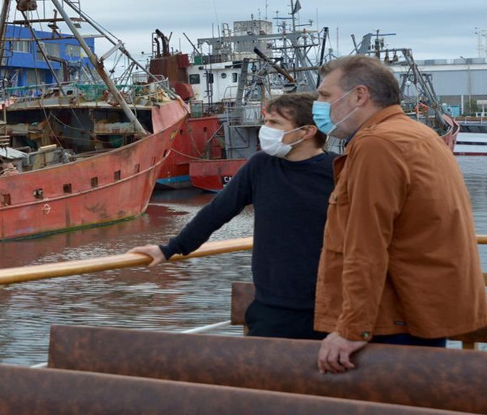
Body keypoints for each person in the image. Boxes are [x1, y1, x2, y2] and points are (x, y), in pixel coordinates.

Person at [312, 55, 487, 374]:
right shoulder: (417, 134)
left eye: (325, 95)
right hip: (422, 311)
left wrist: (353, 329)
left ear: (359, 96)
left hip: (394, 319)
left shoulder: (377, 144)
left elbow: (366, 246)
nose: (319, 104)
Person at [130, 92, 335, 340]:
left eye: (274, 123)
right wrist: (170, 249)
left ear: (306, 132)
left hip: (329, 309)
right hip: (272, 308)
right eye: (265, 122)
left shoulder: (339, 171)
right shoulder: (261, 166)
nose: (265, 129)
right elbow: (217, 212)